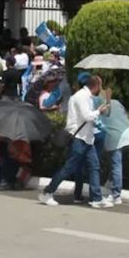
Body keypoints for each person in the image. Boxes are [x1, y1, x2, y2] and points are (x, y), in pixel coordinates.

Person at [38, 73, 105, 208]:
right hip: (79, 138)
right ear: (95, 85)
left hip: (87, 138)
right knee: (69, 168)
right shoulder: (82, 97)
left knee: (94, 167)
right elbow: (86, 116)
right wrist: (98, 111)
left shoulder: (86, 97)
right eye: (100, 86)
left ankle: (96, 198)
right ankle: (47, 192)